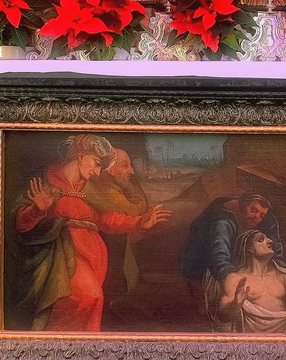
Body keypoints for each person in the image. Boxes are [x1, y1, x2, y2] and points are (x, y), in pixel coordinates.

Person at [12, 134, 171, 332]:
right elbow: (19, 224)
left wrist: (139, 222)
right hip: (60, 259)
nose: (97, 173)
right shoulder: (44, 179)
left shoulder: (90, 188)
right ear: (80, 155)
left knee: (92, 305)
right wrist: (37, 211)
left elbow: (105, 219)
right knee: (87, 297)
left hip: (94, 261)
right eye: (96, 164)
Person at [181, 192, 286, 323]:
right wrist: (231, 279)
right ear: (241, 206)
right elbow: (219, 256)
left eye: (262, 215)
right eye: (253, 210)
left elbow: (276, 251)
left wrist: (280, 274)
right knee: (210, 307)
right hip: (204, 256)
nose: (257, 217)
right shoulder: (220, 222)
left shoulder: (267, 219)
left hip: (234, 257)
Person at [82, 146, 150, 303]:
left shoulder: (110, 187)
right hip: (103, 254)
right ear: (110, 170)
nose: (132, 171)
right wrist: (131, 188)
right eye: (125, 165)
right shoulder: (107, 190)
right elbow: (135, 211)